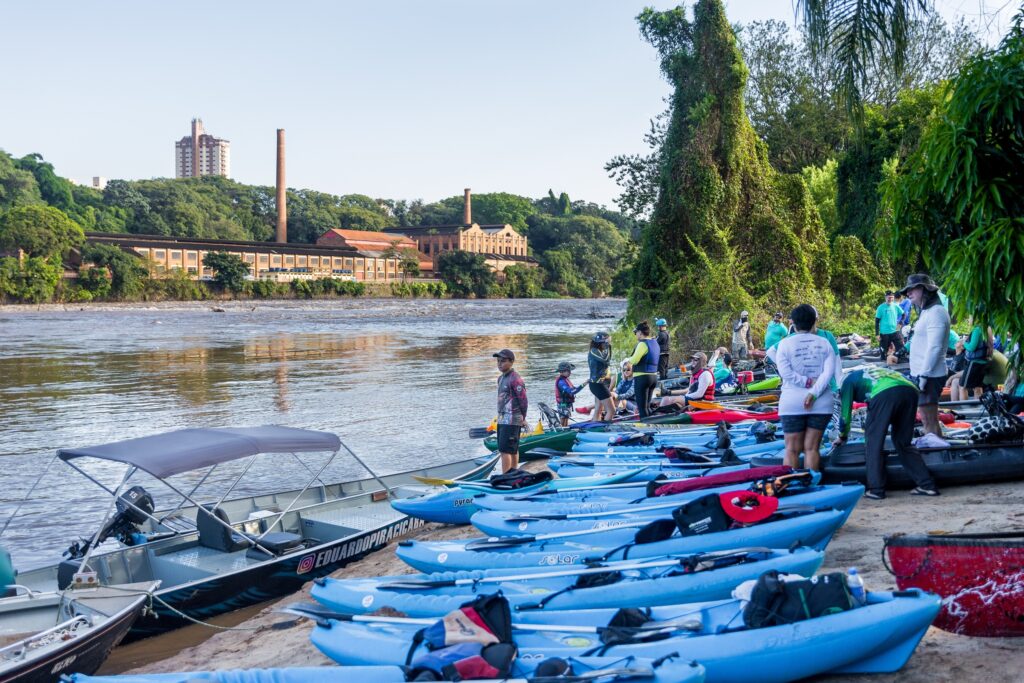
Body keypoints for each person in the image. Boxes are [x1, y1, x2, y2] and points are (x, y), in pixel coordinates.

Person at [835, 367, 939, 499]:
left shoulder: (846, 382)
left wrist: (842, 436)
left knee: (873, 443)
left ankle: (876, 489)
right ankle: (927, 485)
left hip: (884, 392)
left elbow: (845, 415)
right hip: (910, 390)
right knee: (903, 442)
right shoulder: (869, 372)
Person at [775, 304, 836, 472]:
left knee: (791, 450)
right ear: (814, 322)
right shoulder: (824, 343)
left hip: (792, 402)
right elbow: (828, 374)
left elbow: (785, 373)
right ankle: (814, 487)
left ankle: (791, 486)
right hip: (822, 403)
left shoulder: (784, 344)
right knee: (812, 449)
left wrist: (805, 382)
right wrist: (813, 392)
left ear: (793, 323)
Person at [899, 274, 951, 437]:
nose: (908, 293)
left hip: (930, 375)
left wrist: (923, 376)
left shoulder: (937, 312)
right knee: (930, 420)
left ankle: (936, 452)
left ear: (924, 289)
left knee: (928, 420)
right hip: (924, 374)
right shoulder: (927, 311)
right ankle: (938, 448)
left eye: (912, 289)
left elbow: (935, 347)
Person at [493, 349, 527, 473]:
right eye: (498, 361)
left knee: (505, 450)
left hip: (513, 419)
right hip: (502, 418)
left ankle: (506, 475)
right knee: (510, 448)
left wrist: (523, 418)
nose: (499, 364)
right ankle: (513, 473)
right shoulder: (500, 378)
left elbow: (523, 400)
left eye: (503, 361)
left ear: (511, 362)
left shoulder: (515, 379)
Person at [627, 321, 661, 419]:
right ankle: (652, 426)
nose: (635, 335)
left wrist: (627, 360)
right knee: (647, 406)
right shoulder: (655, 342)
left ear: (640, 332)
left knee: (642, 408)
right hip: (653, 377)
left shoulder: (642, 344)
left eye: (636, 332)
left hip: (642, 378)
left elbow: (634, 360)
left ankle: (645, 429)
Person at [587, 332, 615, 422]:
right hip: (598, 384)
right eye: (607, 341)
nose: (609, 342)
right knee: (611, 410)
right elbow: (606, 361)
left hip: (599, 384)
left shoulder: (599, 351)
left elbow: (607, 361)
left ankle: (596, 428)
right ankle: (605, 430)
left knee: (598, 410)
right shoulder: (594, 351)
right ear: (601, 342)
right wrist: (608, 346)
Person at [554, 361, 586, 427]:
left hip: (567, 404)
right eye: (568, 371)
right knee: (563, 420)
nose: (570, 372)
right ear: (562, 372)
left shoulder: (566, 379)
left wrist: (584, 384)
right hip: (563, 405)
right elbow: (572, 391)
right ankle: (562, 432)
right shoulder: (561, 382)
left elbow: (573, 389)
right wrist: (584, 384)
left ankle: (565, 430)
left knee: (566, 419)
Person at [875, 291, 903, 356]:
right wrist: (877, 334)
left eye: (892, 297)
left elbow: (904, 314)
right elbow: (876, 321)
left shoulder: (895, 306)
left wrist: (901, 322)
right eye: (889, 297)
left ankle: (898, 361)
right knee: (883, 354)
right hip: (884, 333)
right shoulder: (880, 307)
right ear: (885, 298)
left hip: (895, 331)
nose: (890, 299)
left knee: (901, 349)